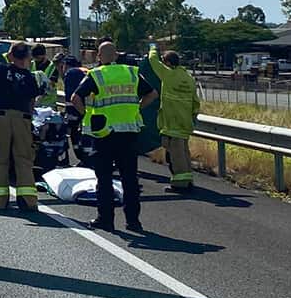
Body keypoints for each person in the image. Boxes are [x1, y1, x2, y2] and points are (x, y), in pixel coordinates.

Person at [70, 41, 158, 231]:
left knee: (104, 177)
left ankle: (106, 219)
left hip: (104, 133)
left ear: (99, 57)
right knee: (130, 179)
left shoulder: (96, 75)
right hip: (128, 132)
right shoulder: (131, 73)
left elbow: (75, 98)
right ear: (116, 55)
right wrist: (137, 108)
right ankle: (133, 221)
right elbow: (152, 94)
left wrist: (86, 115)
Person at [0, 42, 41, 210]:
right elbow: (32, 100)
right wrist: (29, 118)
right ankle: (27, 200)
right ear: (27, 57)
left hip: (1, 117)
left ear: (10, 55)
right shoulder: (29, 77)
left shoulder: (0, 69)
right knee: (24, 158)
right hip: (22, 118)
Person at [148, 43, 200, 192]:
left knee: (176, 155)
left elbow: (153, 61)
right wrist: (192, 117)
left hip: (172, 122)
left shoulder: (169, 75)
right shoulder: (188, 78)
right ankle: (188, 180)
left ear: (168, 63)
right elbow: (196, 102)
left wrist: (152, 46)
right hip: (185, 122)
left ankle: (180, 184)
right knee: (184, 153)